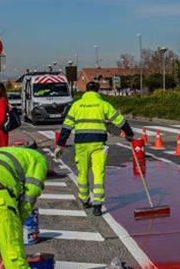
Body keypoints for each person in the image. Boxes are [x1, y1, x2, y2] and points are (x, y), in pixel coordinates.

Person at [54, 79, 133, 216]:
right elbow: (120, 121)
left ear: (86, 90)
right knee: (98, 173)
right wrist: (129, 134)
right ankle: (97, 206)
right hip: (98, 143)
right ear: (97, 91)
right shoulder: (103, 104)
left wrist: (60, 144)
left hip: (81, 144)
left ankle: (84, 199)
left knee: (82, 172)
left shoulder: (77, 105)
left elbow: (66, 127)